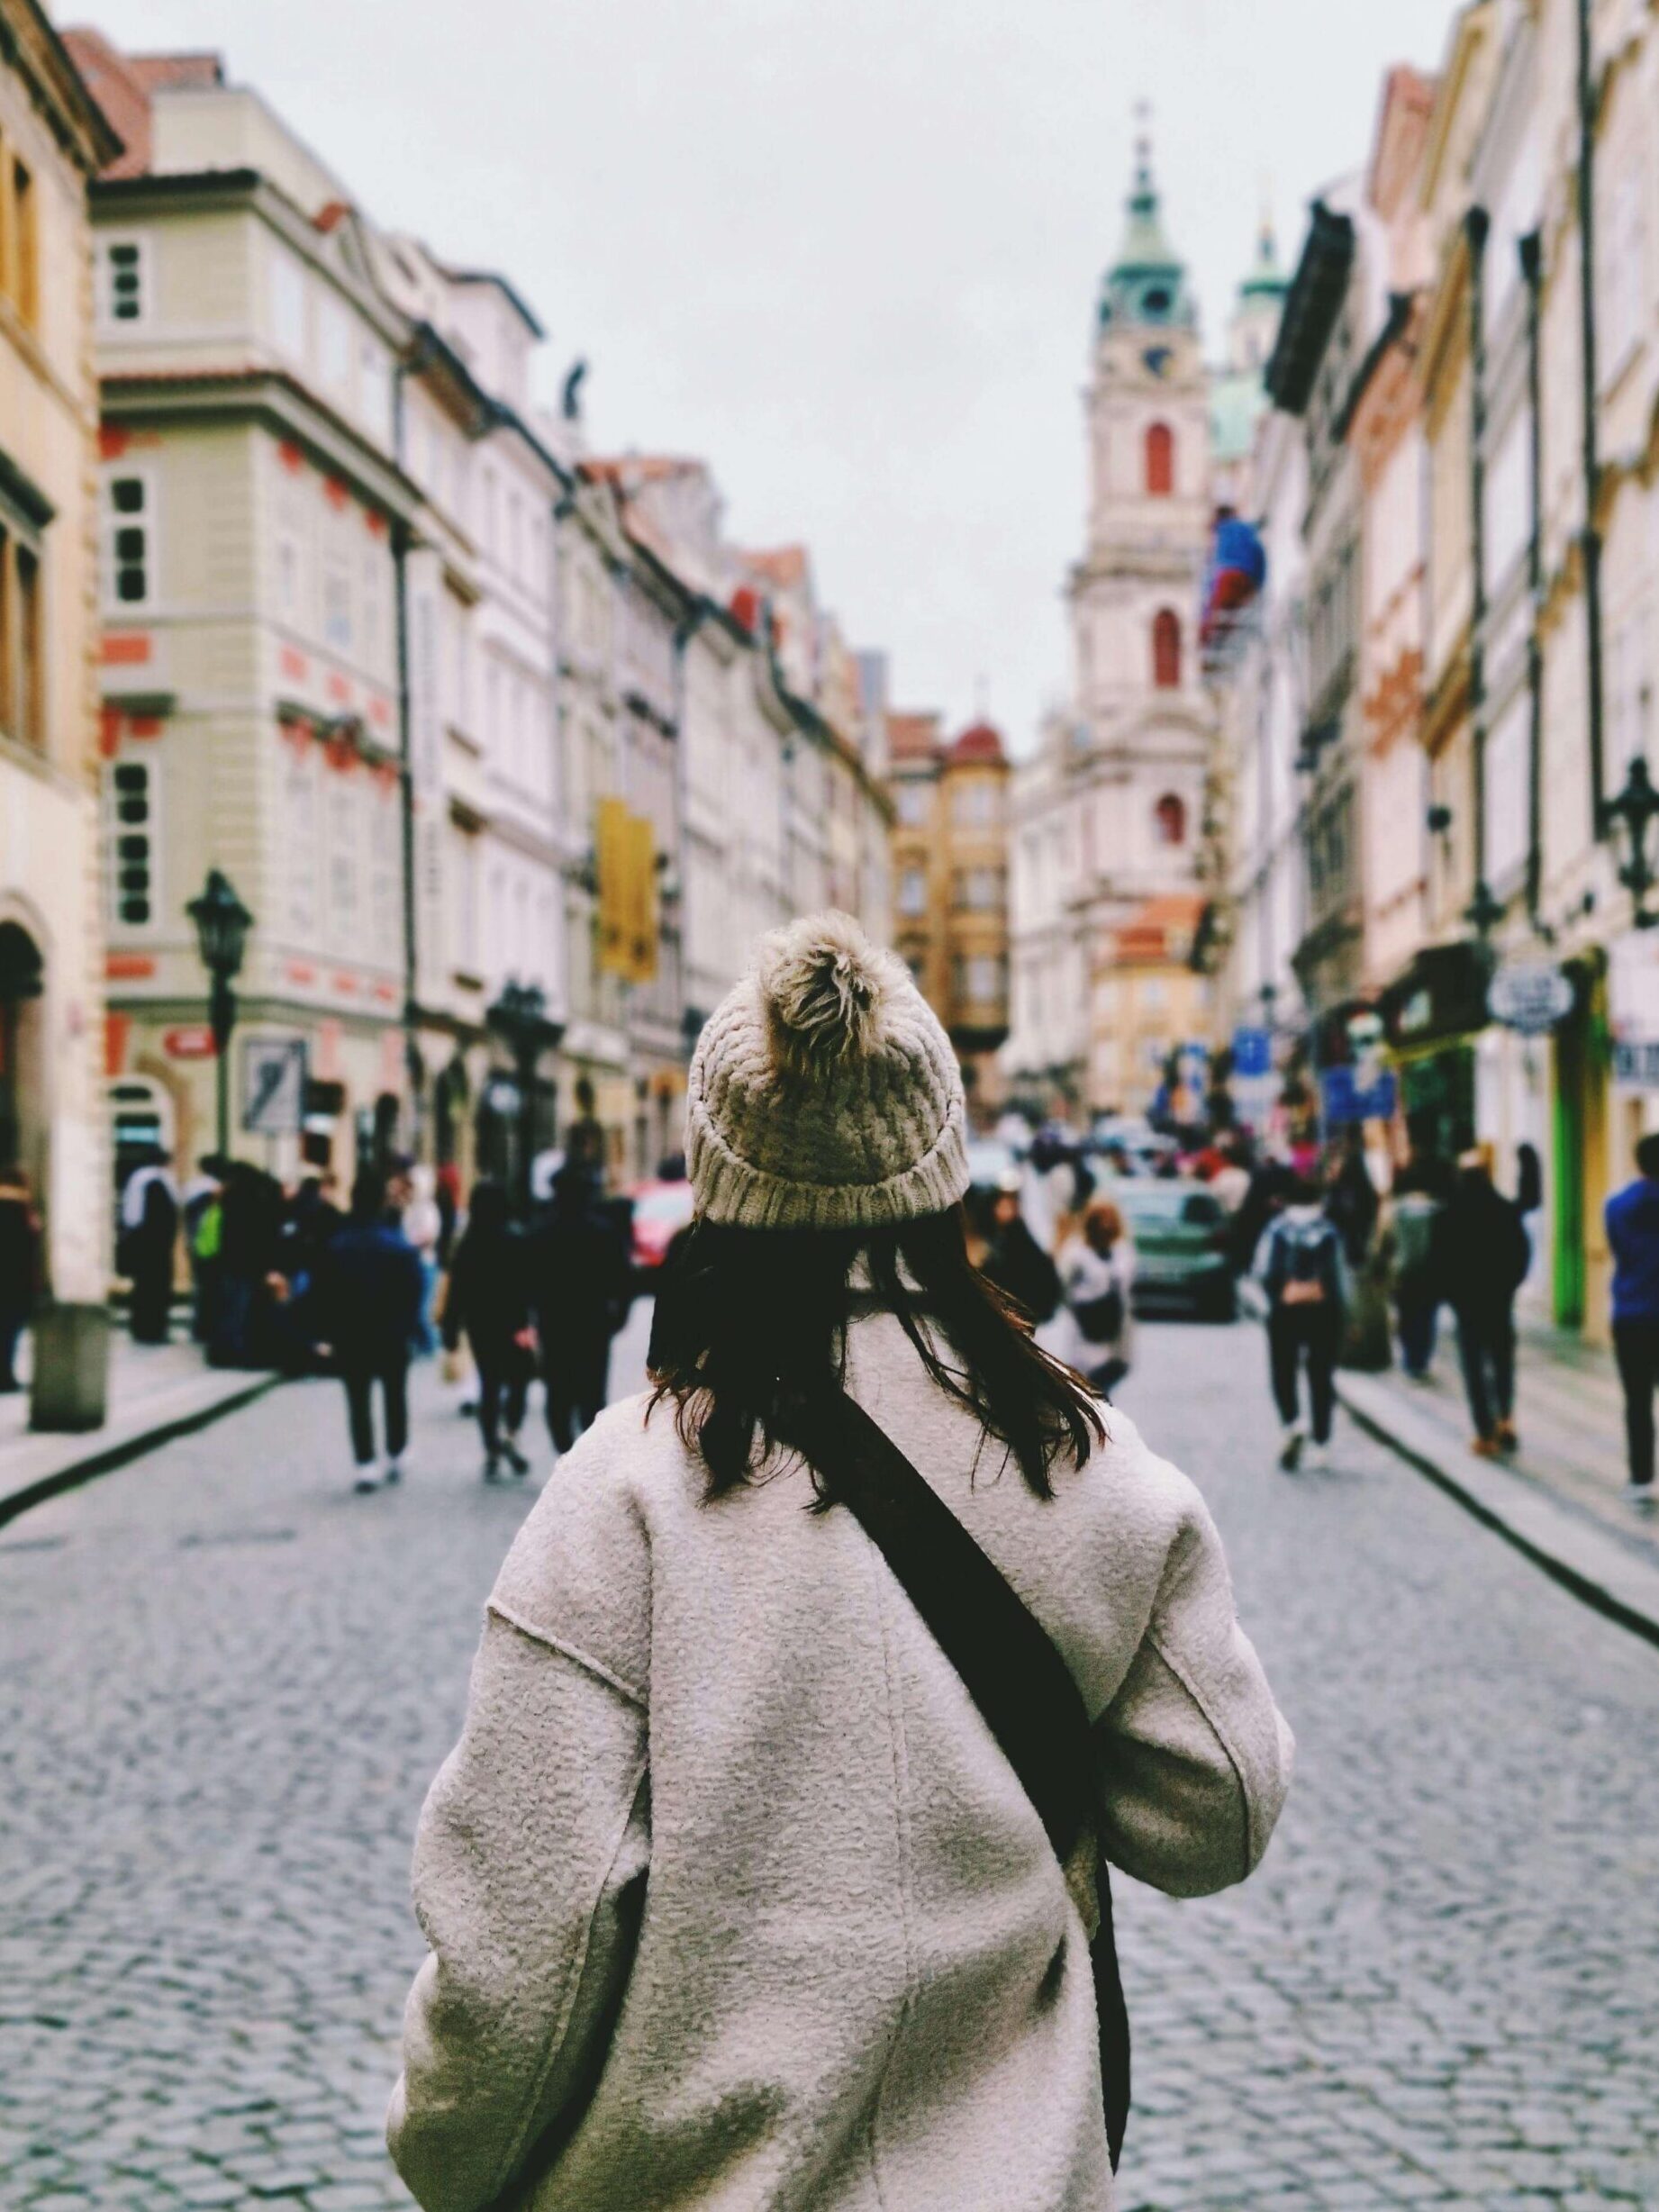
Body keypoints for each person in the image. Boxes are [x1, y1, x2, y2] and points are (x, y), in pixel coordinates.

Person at [388, 911, 1292, 2211]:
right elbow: (1216, 1814)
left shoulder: (625, 1490)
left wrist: (445, 2154)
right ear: (942, 1166)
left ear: (719, 1171)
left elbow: (529, 1941)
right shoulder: (1083, 1463)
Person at [313, 1169, 423, 1492]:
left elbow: (324, 1293)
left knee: (358, 1399)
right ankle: (396, 1450)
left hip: (351, 1333)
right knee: (394, 1394)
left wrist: (327, 1331)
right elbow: (412, 1290)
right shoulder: (397, 1247)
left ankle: (365, 1463)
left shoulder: (337, 1246)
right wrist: (408, 1326)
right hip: (391, 1332)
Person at [528, 1160, 631, 1453]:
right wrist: (619, 1316)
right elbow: (624, 1280)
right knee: (591, 1395)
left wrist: (532, 1316)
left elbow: (528, 1281)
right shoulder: (604, 1232)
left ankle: (565, 1451)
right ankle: (584, 1454)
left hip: (555, 1324)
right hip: (594, 1325)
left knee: (558, 1394)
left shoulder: (542, 1233)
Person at [1437, 1146, 1531, 1458]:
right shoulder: (1504, 1210)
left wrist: (1451, 1295)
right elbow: (1521, 1254)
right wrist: (1509, 1287)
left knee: (1474, 1367)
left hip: (1467, 1304)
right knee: (1503, 1361)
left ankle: (1484, 1431)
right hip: (1498, 1300)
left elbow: (1439, 1262)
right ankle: (1506, 1417)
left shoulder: (1449, 1214)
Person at [442, 1180, 535, 1482]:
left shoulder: (468, 1245)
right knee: (519, 1380)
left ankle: (491, 1447)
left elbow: (456, 1292)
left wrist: (451, 1328)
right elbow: (528, 1287)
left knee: (489, 1385)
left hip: (481, 1325)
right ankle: (511, 1431)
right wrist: (528, 1322)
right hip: (513, 1325)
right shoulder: (516, 1239)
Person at [1256, 1174, 1345, 1471]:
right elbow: (1341, 1276)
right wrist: (1344, 1310)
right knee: (1321, 1375)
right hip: (1323, 1311)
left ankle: (1292, 1422)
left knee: (1283, 1370)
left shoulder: (1278, 1229)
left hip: (1285, 1311)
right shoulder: (1329, 1231)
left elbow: (1263, 1269)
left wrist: (1273, 1297)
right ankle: (1322, 1441)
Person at [1605, 1131, 1659, 1506]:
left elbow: (1618, 1249)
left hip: (1632, 1315)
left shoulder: (1617, 1206)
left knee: (1637, 1400)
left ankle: (1641, 1479)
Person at [1052, 1196, 1137, 1397]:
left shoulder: (1122, 1250)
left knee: (1114, 1369)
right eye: (1100, 1219)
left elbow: (1126, 1283)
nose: (1105, 1225)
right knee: (1088, 1375)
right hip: (1086, 1322)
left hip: (1116, 1324)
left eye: (1109, 1219)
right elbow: (1062, 1282)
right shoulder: (1077, 1251)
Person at [1382, 1148, 1448, 1380]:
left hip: (1403, 1271)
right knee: (1427, 1316)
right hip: (1430, 1272)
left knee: (1406, 1315)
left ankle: (1410, 1357)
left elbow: (1386, 1240)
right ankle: (1421, 1358)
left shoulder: (1396, 1211)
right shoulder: (1437, 1211)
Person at [976, 1184, 1062, 1323]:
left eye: (1008, 1206)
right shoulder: (996, 1236)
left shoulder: (1019, 1238)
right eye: (1000, 1206)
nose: (1002, 1210)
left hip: (1028, 1307)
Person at [120, 1146, 178, 1345]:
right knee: (156, 1289)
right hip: (154, 1245)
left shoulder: (139, 1178)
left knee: (144, 1287)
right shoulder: (156, 1181)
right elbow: (161, 1216)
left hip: (143, 1242)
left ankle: (142, 1328)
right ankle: (153, 1329)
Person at [0, 1165, 41, 1393]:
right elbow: (26, 1248)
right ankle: (5, 1376)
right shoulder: (18, 1208)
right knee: (8, 1332)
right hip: (14, 1282)